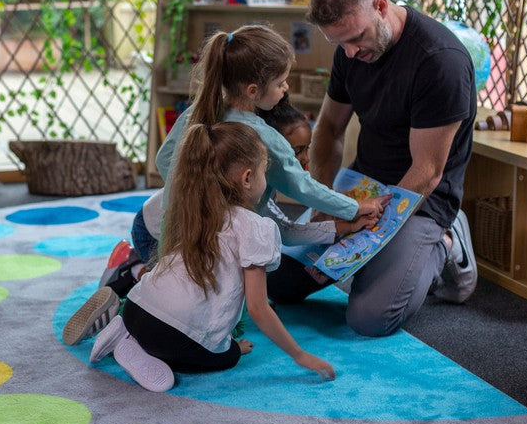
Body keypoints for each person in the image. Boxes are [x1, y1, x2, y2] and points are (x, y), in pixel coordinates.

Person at [61, 25, 387, 346]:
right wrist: (355, 207)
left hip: (152, 225)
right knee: (189, 306)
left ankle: (132, 274)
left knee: (183, 289)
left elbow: (164, 159)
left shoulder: (199, 113)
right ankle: (129, 282)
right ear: (252, 91)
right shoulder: (262, 138)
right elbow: (304, 188)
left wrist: (195, 189)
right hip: (174, 240)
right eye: (280, 82)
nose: (286, 88)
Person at [275, 0, 478, 337]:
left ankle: (448, 241)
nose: (350, 52)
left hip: (422, 199)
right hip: (362, 187)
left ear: (381, 5)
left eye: (356, 38)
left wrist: (366, 232)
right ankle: (379, 260)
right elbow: (329, 129)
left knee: (370, 318)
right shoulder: (351, 50)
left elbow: (427, 172)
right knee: (278, 280)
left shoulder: (439, 61)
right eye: (339, 43)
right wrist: (325, 203)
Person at [88, 121, 337, 392]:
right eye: (264, 171)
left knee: (199, 334)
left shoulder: (197, 209)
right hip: (171, 335)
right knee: (227, 355)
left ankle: (125, 333)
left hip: (136, 308)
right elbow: (258, 308)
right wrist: (299, 355)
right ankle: (138, 350)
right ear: (247, 178)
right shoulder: (255, 227)